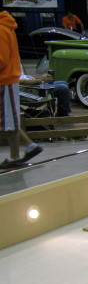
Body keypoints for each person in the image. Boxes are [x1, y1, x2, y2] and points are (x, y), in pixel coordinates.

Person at [0, 11, 43, 169]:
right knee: (8, 122)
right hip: (6, 81)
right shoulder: (4, 27)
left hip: (6, 81)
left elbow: (2, 59)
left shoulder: (1, 29)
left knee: (9, 123)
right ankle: (28, 147)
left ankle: (16, 155)